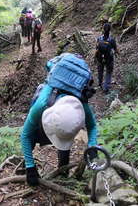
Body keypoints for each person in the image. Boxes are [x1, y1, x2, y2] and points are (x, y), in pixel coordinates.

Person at [20, 53, 98, 186]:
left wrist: (92, 146)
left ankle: (63, 172)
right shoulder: (41, 104)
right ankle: (25, 165)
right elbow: (25, 135)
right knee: (32, 136)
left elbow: (92, 126)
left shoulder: (81, 107)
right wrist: (30, 167)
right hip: (52, 91)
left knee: (64, 131)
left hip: (70, 94)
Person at [95, 23, 118, 93]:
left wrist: (95, 57)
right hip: (109, 59)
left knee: (100, 70)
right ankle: (106, 87)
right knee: (109, 72)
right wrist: (117, 53)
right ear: (110, 30)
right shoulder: (112, 40)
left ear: (103, 29)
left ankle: (100, 83)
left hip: (100, 58)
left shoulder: (99, 39)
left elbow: (96, 48)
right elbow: (115, 49)